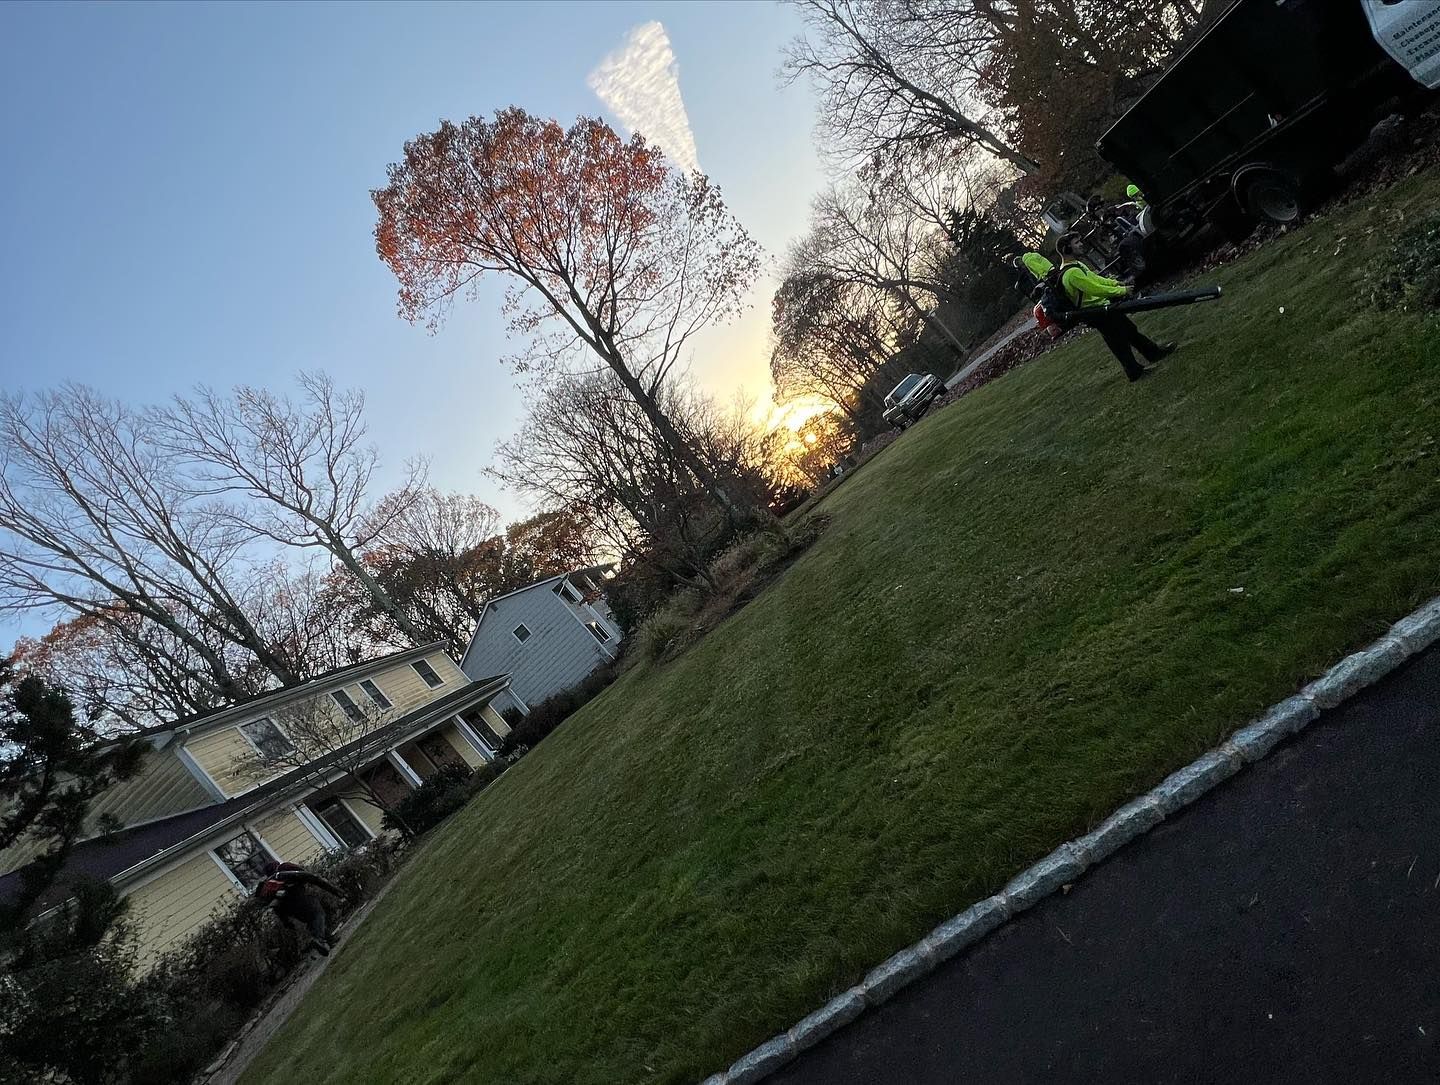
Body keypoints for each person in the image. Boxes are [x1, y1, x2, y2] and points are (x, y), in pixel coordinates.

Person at [1055, 232, 1175, 383]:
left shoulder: (1077, 266)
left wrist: (1115, 283)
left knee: (1130, 331)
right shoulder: (1071, 274)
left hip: (1103, 308)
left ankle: (1153, 353)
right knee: (1119, 343)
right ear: (1067, 249)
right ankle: (1134, 371)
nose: (1081, 245)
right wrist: (1121, 291)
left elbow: (1095, 279)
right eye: (1076, 243)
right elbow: (1095, 289)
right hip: (1097, 313)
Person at [254, 860, 345, 956]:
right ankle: (319, 940)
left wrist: (286, 922)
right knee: (318, 913)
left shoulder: (271, 884)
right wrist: (336, 891)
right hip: (297, 898)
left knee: (311, 920)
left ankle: (330, 940)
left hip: (288, 909)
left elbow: (276, 906)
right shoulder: (285, 868)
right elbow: (311, 877)